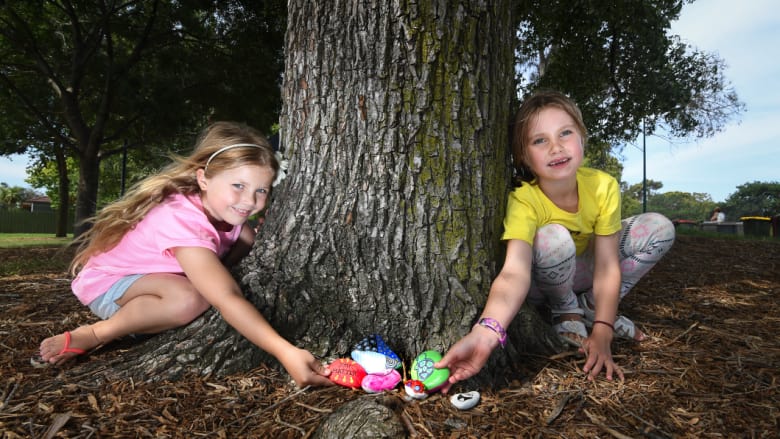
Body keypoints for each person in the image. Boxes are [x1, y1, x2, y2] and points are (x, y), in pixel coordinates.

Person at [35, 121, 332, 388]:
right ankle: (96, 333)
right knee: (190, 298)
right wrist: (284, 351)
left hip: (154, 279)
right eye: (238, 186)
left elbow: (240, 245)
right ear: (204, 179)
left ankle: (149, 315)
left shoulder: (229, 217)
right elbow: (226, 297)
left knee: (241, 243)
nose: (250, 201)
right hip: (110, 284)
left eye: (261, 190)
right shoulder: (181, 221)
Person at [435, 91, 675, 385]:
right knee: (553, 237)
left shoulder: (603, 186)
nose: (556, 147)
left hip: (584, 273)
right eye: (540, 140)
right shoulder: (524, 200)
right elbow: (513, 273)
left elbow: (607, 265)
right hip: (545, 281)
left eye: (565, 133)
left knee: (659, 227)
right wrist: (485, 333)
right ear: (523, 156)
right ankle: (565, 312)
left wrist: (603, 329)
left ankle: (591, 308)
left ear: (582, 136)